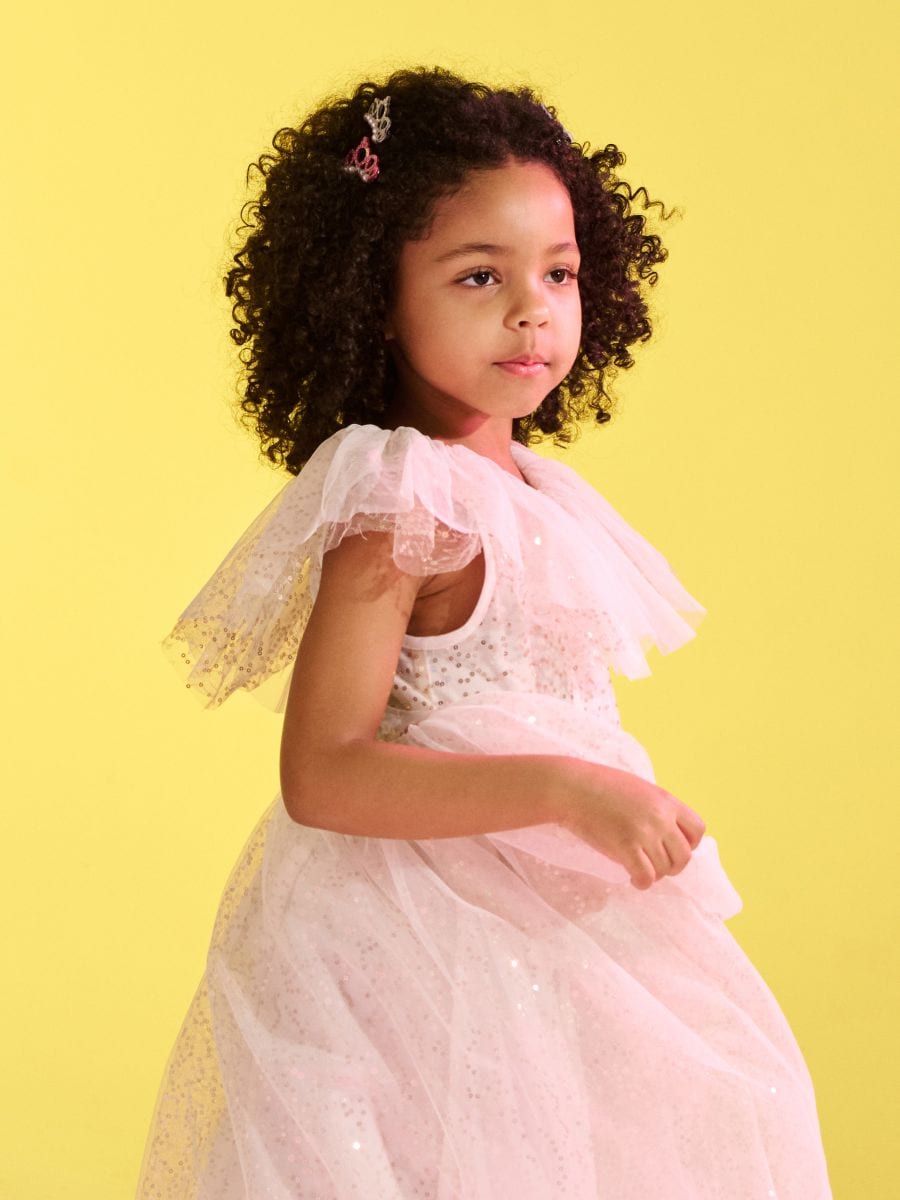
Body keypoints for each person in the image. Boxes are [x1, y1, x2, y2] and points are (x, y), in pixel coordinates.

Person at [136, 66, 833, 1199]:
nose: (532, 310)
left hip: (550, 935)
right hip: (419, 943)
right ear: (376, 295)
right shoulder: (403, 499)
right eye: (478, 275)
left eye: (558, 272)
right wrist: (567, 790)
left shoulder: (542, 494)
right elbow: (323, 771)